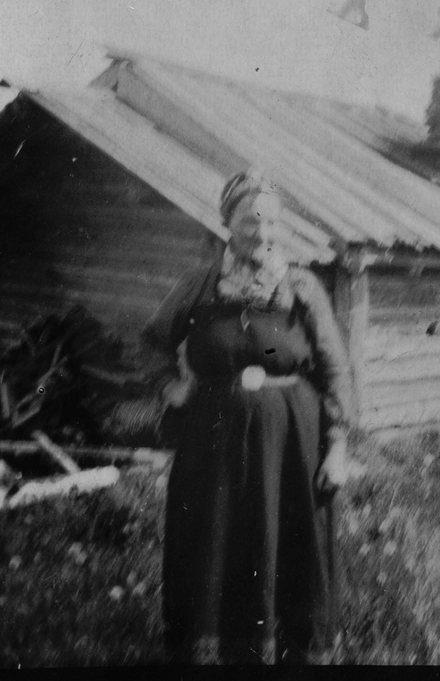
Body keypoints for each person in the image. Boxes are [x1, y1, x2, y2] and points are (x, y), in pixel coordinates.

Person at [143, 170, 356, 665]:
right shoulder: (199, 285)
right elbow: (151, 341)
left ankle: (294, 651)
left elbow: (335, 368)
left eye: (271, 223)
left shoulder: (302, 287)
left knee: (289, 546)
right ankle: (212, 649)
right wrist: (170, 386)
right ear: (226, 223)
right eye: (249, 221)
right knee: (215, 542)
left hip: (294, 444)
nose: (261, 234)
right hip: (212, 444)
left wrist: (340, 443)